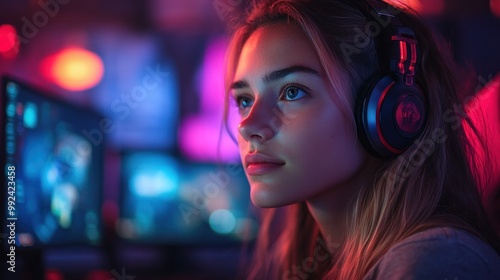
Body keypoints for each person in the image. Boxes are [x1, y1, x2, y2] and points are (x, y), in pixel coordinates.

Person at [222, 0, 500, 279]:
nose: (248, 126)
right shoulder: (306, 261)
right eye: (244, 100)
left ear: (387, 113)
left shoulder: (436, 260)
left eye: (292, 92)